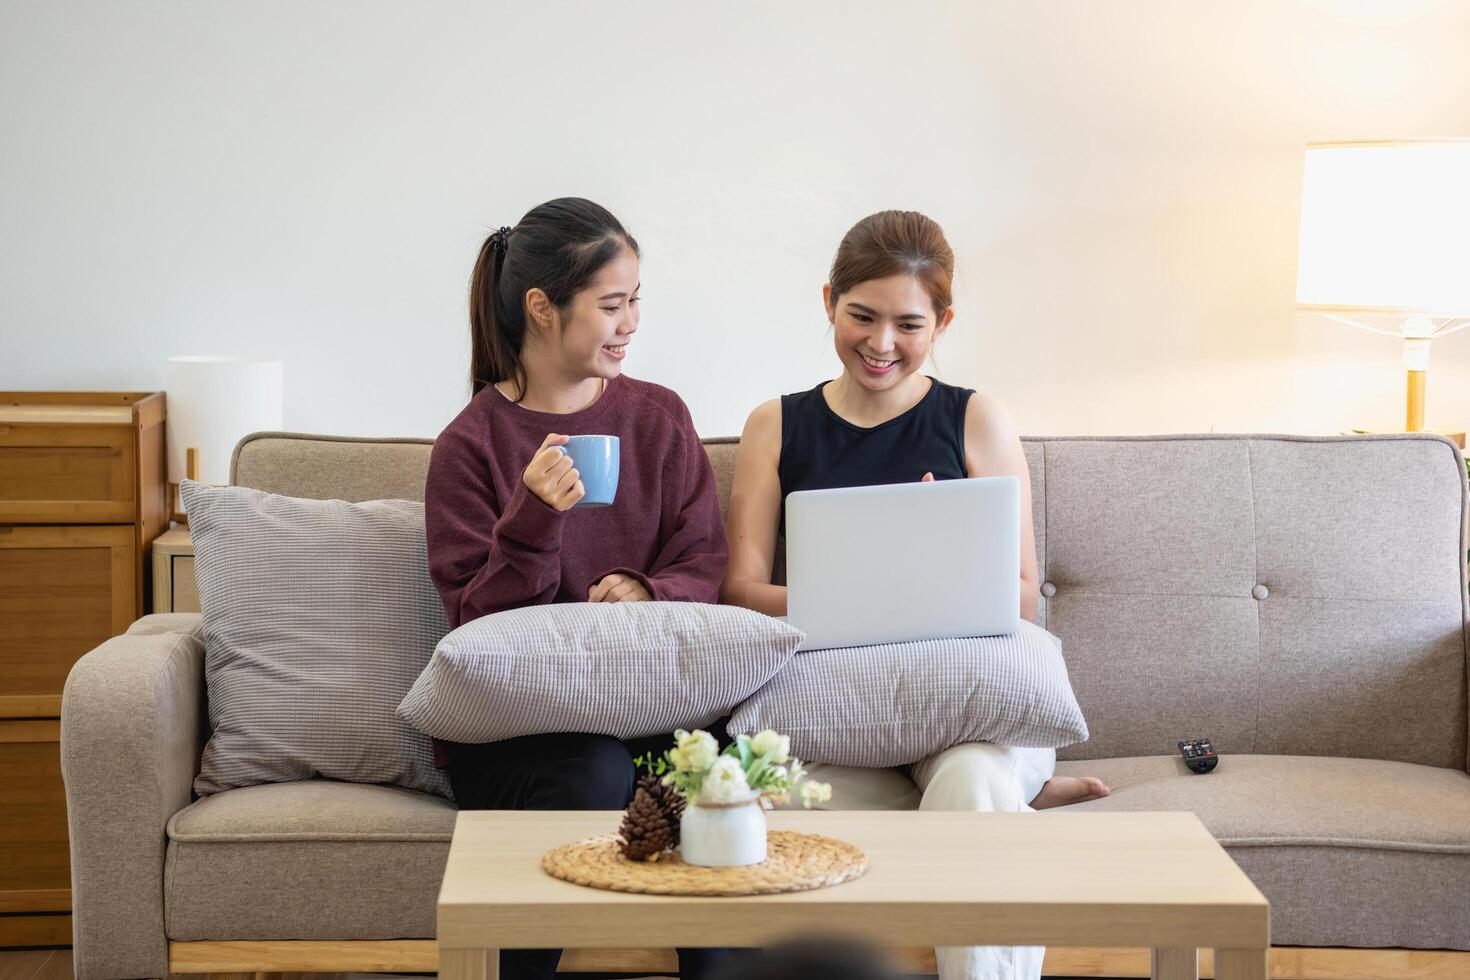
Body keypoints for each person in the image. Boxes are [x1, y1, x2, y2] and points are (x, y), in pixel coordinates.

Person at [720, 209, 1109, 980]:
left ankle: (998, 801)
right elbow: (740, 589)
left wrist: (935, 564)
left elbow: (1022, 596)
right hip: (841, 715)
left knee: (969, 776)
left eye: (909, 323)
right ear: (829, 300)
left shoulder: (975, 417)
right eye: (861, 315)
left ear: (944, 322)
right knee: (751, 795)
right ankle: (1011, 809)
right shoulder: (776, 425)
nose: (881, 343)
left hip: (969, 709)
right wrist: (853, 596)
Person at [424, 197, 732, 980]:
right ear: (541, 308)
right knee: (597, 771)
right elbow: (473, 627)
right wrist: (532, 517)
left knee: (709, 778)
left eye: (636, 302)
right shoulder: (471, 445)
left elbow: (705, 561)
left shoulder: (660, 419)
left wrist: (648, 588)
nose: (630, 322)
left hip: (649, 710)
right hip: (519, 738)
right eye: (611, 304)